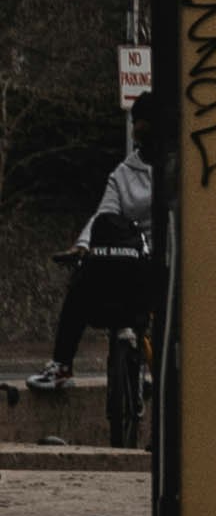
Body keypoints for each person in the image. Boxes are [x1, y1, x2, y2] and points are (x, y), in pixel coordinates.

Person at [31, 146, 155, 417]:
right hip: (127, 254)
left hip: (161, 254)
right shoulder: (124, 173)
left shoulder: (178, 168)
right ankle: (61, 365)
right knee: (81, 280)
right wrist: (84, 245)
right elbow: (104, 215)